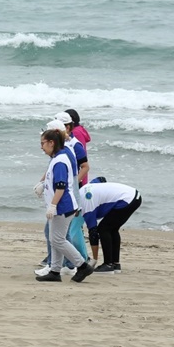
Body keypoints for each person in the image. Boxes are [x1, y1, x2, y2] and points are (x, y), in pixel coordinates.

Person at [36, 129, 93, 283]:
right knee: (55, 238)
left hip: (63, 207)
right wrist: (43, 185)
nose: (41, 147)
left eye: (43, 143)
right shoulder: (57, 157)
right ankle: (55, 271)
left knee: (58, 240)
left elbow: (61, 187)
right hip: (61, 205)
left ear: (51, 143)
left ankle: (82, 265)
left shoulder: (60, 161)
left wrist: (53, 206)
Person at [79, 179, 142, 274]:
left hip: (127, 199)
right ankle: (115, 264)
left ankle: (108, 265)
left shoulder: (87, 207)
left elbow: (93, 233)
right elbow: (100, 179)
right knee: (112, 229)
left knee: (103, 229)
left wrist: (94, 260)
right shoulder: (84, 189)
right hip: (134, 195)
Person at [55, 111, 89, 187]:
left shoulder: (74, 143)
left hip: (72, 183)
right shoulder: (59, 142)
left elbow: (85, 166)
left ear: (67, 127)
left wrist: (73, 184)